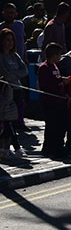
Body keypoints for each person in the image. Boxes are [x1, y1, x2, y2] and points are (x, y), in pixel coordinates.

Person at [37, 42, 70, 159]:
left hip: (60, 101)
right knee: (52, 126)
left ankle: (59, 146)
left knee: (61, 126)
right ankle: (50, 148)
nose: (60, 57)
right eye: (59, 54)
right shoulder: (44, 68)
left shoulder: (55, 67)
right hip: (50, 102)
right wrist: (60, 82)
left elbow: (57, 80)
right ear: (54, 55)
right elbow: (47, 85)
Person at [0, 29, 27, 160]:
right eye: (7, 40)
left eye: (12, 40)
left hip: (17, 90)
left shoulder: (14, 56)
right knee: (6, 120)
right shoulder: (1, 57)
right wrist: (13, 74)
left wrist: (14, 74)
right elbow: (4, 73)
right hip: (5, 92)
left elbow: (24, 71)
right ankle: (15, 147)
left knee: (13, 120)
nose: (10, 43)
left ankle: (6, 147)